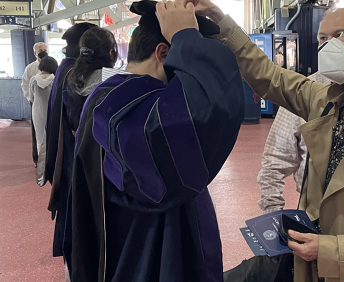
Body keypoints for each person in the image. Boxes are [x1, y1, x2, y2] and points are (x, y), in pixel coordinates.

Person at [174, 2, 344, 282]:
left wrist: (330, 249)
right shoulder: (328, 103)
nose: (335, 44)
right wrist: (222, 21)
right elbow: (268, 76)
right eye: (329, 37)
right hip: (313, 269)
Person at [70, 1, 244, 281]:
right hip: (145, 257)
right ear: (163, 53)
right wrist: (185, 35)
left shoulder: (108, 96)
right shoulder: (127, 108)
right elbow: (212, 106)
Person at [257, 7, 344, 214]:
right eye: (322, 38)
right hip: (316, 212)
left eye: (340, 35)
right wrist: (273, 215)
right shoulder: (304, 91)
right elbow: (274, 162)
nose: (329, 44)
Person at [42, 22, 97, 277]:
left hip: (64, 161)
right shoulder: (73, 75)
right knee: (76, 227)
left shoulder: (64, 70)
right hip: (73, 163)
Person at [28, 56, 58, 186]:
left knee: (40, 138)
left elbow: (31, 97)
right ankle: (53, 164)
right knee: (52, 138)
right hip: (51, 112)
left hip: (37, 112)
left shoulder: (34, 80)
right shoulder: (55, 80)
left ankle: (42, 166)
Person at [22, 42, 48, 167]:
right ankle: (38, 159)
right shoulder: (30, 68)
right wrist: (31, 99)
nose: (43, 52)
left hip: (50, 103)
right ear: (35, 53)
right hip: (36, 103)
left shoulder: (53, 65)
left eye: (45, 49)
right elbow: (25, 85)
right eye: (40, 50)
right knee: (37, 132)